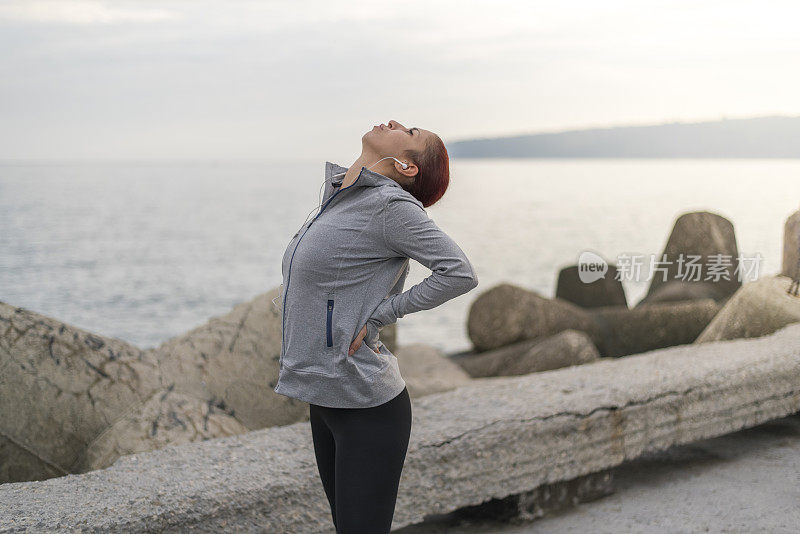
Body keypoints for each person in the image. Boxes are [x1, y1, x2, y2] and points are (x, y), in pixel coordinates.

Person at [273, 119, 479, 533]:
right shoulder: (340, 197)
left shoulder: (390, 208)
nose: (396, 123)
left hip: (366, 405)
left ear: (407, 167)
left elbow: (458, 272)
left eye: (412, 132)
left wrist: (382, 314)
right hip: (325, 394)